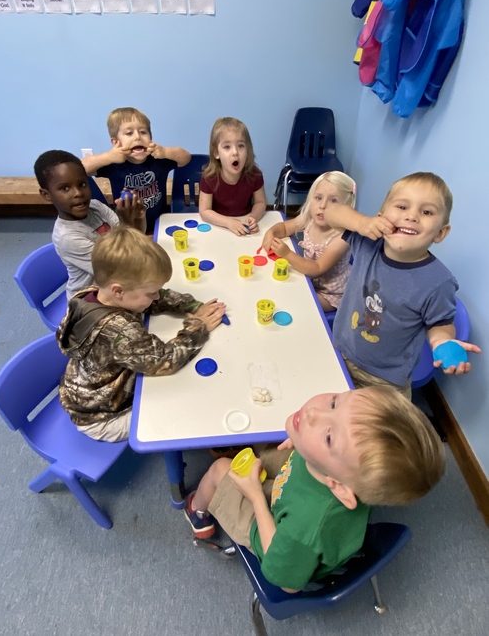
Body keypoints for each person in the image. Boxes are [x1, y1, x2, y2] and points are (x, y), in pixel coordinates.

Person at [184, 386, 446, 592]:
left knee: (220, 469)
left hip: (274, 538)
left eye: (329, 437)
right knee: (265, 437)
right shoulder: (347, 474)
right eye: (334, 402)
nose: (313, 413)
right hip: (296, 485)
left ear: (339, 486)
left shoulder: (306, 530)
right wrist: (303, 440)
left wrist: (255, 496)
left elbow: (286, 582)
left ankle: (198, 513)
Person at [56, 226, 225, 442]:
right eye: (151, 293)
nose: (156, 296)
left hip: (87, 393)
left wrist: (190, 305)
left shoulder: (94, 294)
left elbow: (153, 299)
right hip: (101, 418)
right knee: (179, 410)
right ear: (118, 291)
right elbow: (165, 360)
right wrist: (198, 326)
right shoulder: (120, 331)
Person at [324, 172, 481, 399]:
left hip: (384, 381)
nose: (411, 216)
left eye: (427, 212)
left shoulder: (438, 282)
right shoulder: (367, 243)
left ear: (440, 232)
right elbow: (331, 213)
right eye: (402, 207)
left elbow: (440, 324)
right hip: (340, 351)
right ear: (381, 217)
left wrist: (443, 343)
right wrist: (362, 223)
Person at [36, 149, 146, 301]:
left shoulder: (96, 206)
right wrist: (126, 222)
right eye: (65, 188)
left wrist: (138, 217)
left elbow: (136, 240)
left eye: (82, 184)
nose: (78, 193)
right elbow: (120, 267)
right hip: (90, 301)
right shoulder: (67, 237)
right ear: (46, 195)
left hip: (115, 286)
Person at [82, 107, 191, 234]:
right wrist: (108, 157)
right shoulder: (114, 164)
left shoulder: (159, 160)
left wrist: (166, 152)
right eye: (129, 133)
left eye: (143, 132)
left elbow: (186, 158)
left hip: (157, 224)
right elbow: (81, 169)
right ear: (116, 142)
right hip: (127, 227)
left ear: (151, 137)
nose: (138, 137)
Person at [262, 171, 356, 312]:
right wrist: (271, 233)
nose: (323, 205)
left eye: (333, 200)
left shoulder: (341, 238)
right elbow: (285, 228)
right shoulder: (309, 218)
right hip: (309, 279)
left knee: (298, 304)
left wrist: (287, 254)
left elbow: (317, 268)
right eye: (318, 198)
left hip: (331, 294)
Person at [199, 117, 267, 236]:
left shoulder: (254, 175)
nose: (235, 152)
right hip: (218, 229)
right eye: (227, 147)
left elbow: (261, 202)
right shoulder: (209, 177)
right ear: (216, 153)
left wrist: (253, 217)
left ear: (248, 149)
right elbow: (204, 211)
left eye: (241, 146)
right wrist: (229, 223)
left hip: (244, 227)